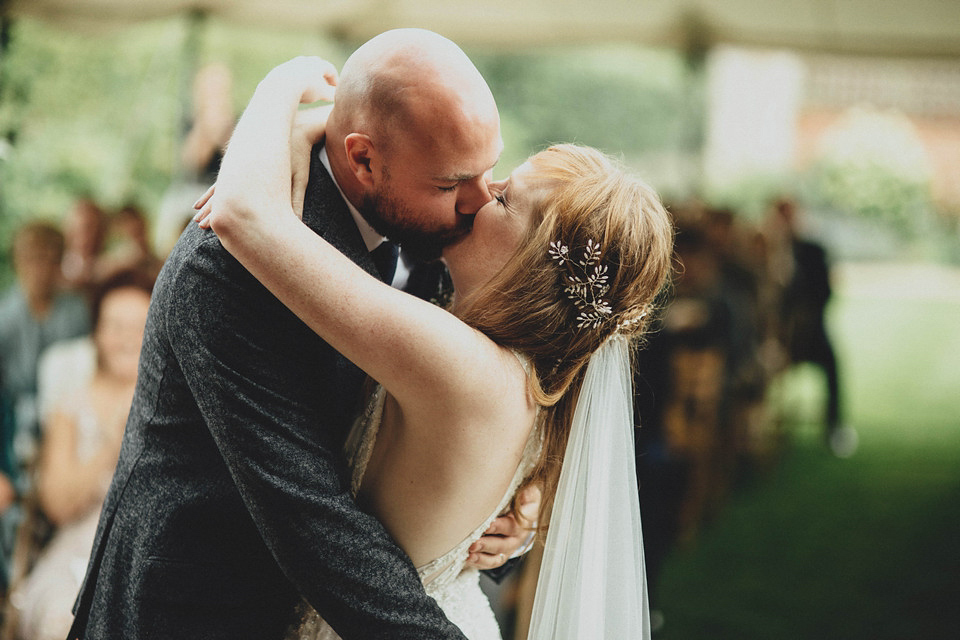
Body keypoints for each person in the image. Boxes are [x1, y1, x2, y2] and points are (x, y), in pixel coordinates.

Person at [69, 30, 530, 640]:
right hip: (196, 609)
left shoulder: (454, 243)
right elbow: (308, 516)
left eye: (488, 169)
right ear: (363, 159)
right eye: (450, 184)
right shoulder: (236, 264)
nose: (480, 200)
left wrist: (504, 517)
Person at [195, 53, 673, 639]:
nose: (480, 194)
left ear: (530, 267)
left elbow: (244, 215)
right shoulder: (541, 372)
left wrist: (287, 91)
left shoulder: (462, 364)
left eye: (504, 199)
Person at [8, 268, 154, 640]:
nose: (127, 339)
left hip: (155, 546)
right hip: (82, 547)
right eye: (115, 326)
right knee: (63, 619)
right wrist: (116, 437)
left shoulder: (178, 401)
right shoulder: (71, 406)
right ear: (97, 332)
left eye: (139, 326)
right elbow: (57, 504)